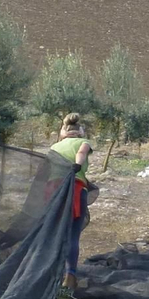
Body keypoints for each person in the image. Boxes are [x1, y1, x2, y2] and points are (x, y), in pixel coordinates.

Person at [47, 112, 94, 287]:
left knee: (55, 233)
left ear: (64, 131)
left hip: (53, 192)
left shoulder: (54, 147)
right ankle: (70, 276)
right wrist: (77, 165)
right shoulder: (83, 142)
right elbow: (81, 153)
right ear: (79, 131)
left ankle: (50, 274)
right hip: (74, 189)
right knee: (73, 235)